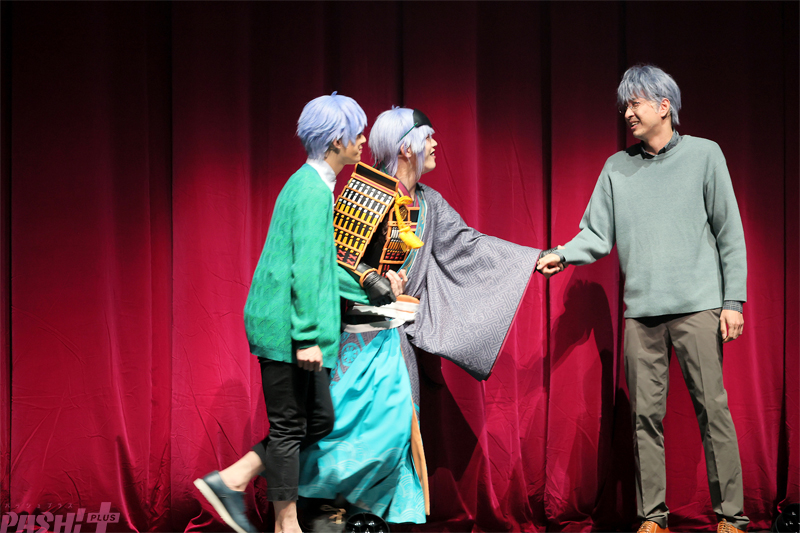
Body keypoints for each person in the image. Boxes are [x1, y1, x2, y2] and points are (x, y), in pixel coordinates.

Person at [298, 107, 545, 526]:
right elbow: (335, 256)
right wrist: (372, 280)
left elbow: (468, 246)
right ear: (405, 148)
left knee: (397, 432)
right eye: (427, 137)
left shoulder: (430, 203)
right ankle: (331, 511)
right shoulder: (367, 192)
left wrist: (532, 259)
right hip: (359, 339)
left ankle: (372, 518)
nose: (434, 145)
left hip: (398, 343)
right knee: (353, 430)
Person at [538, 65, 748, 533]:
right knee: (643, 418)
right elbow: (596, 233)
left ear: (663, 105)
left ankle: (731, 517)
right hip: (642, 315)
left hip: (699, 307)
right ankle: (653, 517)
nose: (627, 113)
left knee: (713, 411)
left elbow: (729, 233)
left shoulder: (705, 155)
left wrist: (733, 301)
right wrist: (562, 255)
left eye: (635, 104)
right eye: (624, 106)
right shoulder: (617, 167)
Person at [194, 92, 395, 533]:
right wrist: (306, 336)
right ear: (336, 141)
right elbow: (304, 270)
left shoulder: (317, 187)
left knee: (318, 420)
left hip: (295, 328)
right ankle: (287, 525)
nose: (363, 140)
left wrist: (371, 287)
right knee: (289, 427)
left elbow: (321, 265)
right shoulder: (309, 191)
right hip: (285, 328)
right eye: (356, 133)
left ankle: (233, 478)